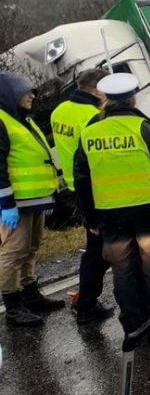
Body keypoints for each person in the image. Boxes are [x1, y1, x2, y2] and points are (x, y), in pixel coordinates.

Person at [73, 73, 150, 350]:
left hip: (110, 216)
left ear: (105, 99)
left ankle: (133, 326)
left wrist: (89, 217)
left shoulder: (90, 132)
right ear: (133, 97)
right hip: (148, 212)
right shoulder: (147, 129)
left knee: (122, 270)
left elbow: (81, 178)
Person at [50, 68, 115, 325]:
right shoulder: (93, 116)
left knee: (96, 249)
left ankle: (87, 301)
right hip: (97, 188)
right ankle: (87, 305)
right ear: (97, 87)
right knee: (101, 251)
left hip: (77, 188)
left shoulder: (59, 111)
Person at [0, 71, 64, 327]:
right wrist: (6, 205)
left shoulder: (24, 119)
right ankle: (13, 307)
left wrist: (49, 195)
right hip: (15, 204)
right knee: (13, 252)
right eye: (26, 92)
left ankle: (30, 294)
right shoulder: (3, 122)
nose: (32, 96)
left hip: (34, 200)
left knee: (31, 248)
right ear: (9, 95)